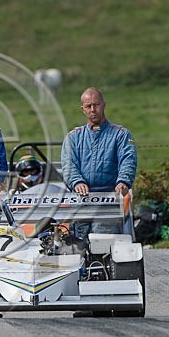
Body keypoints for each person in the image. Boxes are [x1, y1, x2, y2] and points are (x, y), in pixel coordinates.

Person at [60, 87, 137, 238]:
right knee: (75, 246)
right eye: (88, 106)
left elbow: (128, 159)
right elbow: (68, 164)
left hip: (109, 199)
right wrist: (77, 182)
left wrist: (123, 181)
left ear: (104, 105)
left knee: (102, 242)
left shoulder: (120, 134)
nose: (93, 109)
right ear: (83, 109)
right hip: (80, 201)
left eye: (96, 104)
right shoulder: (73, 137)